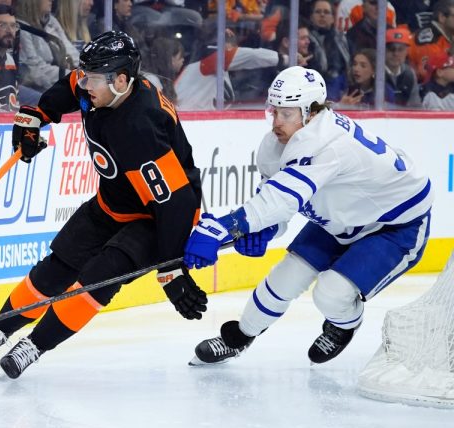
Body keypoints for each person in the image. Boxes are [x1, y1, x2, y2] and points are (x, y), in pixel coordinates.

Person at [0, 31, 207, 379]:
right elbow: (70, 86)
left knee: (98, 277)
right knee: (59, 265)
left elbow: (176, 202)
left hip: (156, 218)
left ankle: (35, 344)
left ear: (122, 80)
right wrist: (37, 115)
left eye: (93, 78)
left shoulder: (141, 127)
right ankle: (1, 329)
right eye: (86, 74)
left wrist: (171, 269)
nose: (84, 83)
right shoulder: (102, 86)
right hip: (114, 202)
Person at [183, 66, 433, 366]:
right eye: (273, 111)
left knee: (331, 293)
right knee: (284, 278)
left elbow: (280, 199)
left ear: (312, 112)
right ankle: (239, 337)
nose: (276, 122)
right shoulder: (276, 145)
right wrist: (264, 230)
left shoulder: (327, 144)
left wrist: (221, 229)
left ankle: (343, 325)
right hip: (340, 219)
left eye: (286, 114)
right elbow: (275, 206)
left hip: (393, 224)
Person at [384, 27, 421, 108]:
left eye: (400, 49)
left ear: (407, 52)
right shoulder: (374, 71)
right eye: (391, 49)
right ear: (383, 50)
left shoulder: (410, 73)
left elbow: (415, 106)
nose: (396, 54)